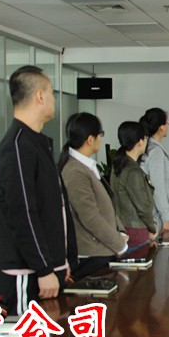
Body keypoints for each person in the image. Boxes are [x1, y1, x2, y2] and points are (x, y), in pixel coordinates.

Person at [0, 65, 77, 316]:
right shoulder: (17, 146)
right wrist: (44, 268)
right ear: (40, 96)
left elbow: (55, 206)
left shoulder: (37, 143)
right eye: (51, 92)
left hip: (48, 269)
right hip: (29, 272)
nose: (54, 99)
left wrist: (62, 260)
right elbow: (22, 214)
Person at [59, 113, 129, 279]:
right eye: (100, 134)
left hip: (103, 248)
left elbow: (106, 203)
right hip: (91, 254)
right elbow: (90, 216)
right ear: (90, 139)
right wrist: (119, 244)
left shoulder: (86, 166)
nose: (101, 139)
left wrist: (119, 231)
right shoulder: (75, 171)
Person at [111, 121, 159, 259]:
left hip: (123, 227)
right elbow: (143, 206)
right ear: (140, 141)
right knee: (139, 270)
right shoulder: (132, 171)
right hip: (136, 230)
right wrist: (152, 227)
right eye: (145, 138)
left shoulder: (119, 165)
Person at [140, 108, 169, 234]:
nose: (168, 126)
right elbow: (157, 186)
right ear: (161, 127)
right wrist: (166, 217)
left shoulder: (153, 148)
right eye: (167, 123)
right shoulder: (155, 152)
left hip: (165, 217)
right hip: (161, 219)